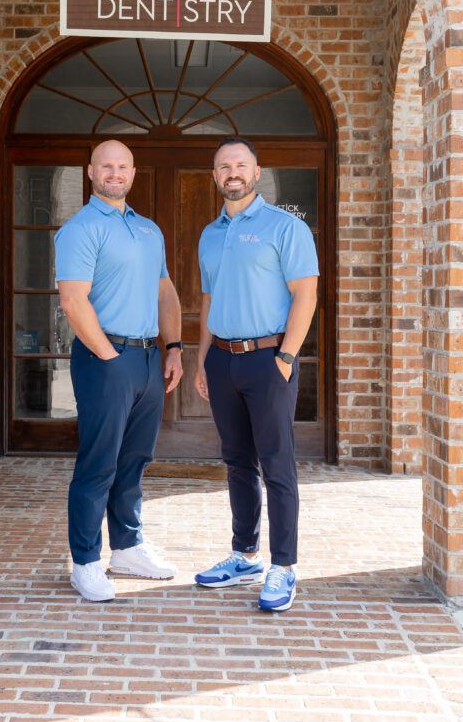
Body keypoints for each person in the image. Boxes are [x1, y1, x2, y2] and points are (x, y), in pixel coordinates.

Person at [55, 139, 183, 602]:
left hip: (148, 358)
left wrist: (174, 348)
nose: (115, 174)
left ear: (132, 172)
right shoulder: (80, 229)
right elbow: (73, 301)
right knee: (99, 464)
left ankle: (127, 548)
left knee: (134, 460)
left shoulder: (149, 230)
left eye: (122, 166)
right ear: (91, 171)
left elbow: (164, 291)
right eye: (106, 166)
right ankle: (85, 562)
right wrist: (109, 356)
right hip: (105, 358)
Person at [194, 137, 318, 612]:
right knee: (237, 461)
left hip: (269, 359)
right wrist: (203, 360)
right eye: (224, 166)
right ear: (215, 176)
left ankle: (283, 566)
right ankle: (245, 556)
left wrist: (286, 357)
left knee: (276, 463)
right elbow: (209, 300)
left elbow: (305, 295)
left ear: (256, 171)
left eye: (240, 165)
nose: (233, 172)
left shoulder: (286, 227)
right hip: (222, 359)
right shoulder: (210, 234)